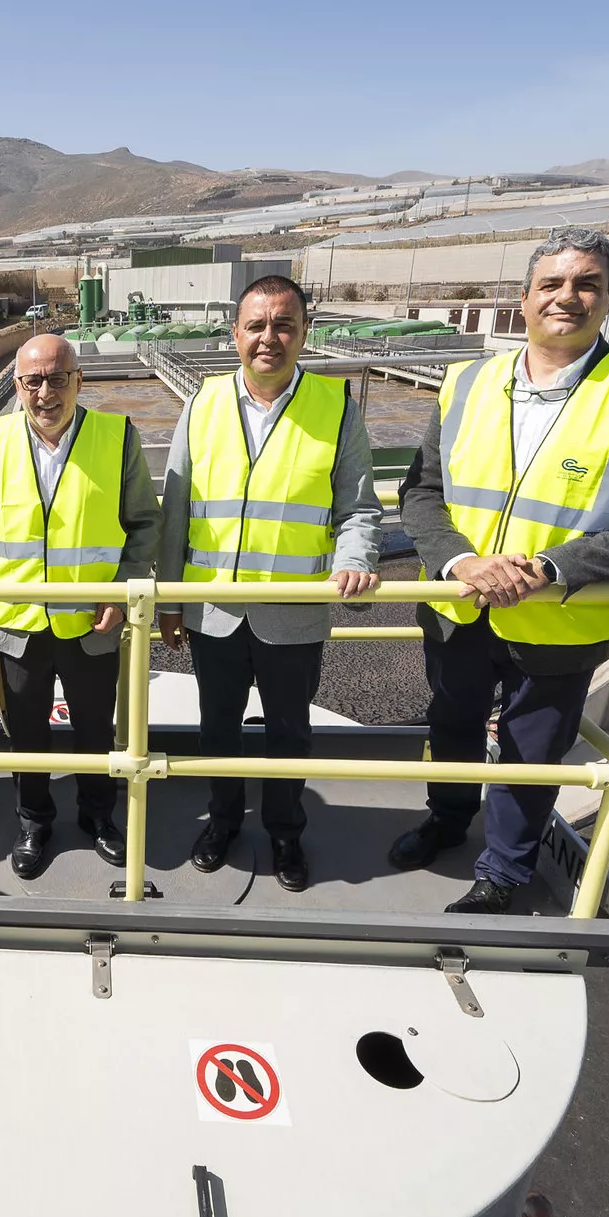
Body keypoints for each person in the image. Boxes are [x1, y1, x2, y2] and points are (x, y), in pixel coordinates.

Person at [390, 226, 609, 914]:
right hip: (461, 604)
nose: (568, 297)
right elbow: (421, 492)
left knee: (530, 754)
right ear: (526, 298)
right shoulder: (469, 382)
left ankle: (504, 871)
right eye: (552, 284)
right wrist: (462, 559)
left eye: (586, 284)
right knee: (450, 726)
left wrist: (549, 568)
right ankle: (446, 823)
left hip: (559, 618)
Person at [157, 275, 383, 893]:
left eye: (284, 324)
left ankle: (285, 832)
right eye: (256, 325)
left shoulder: (336, 407)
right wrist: (170, 603)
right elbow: (176, 509)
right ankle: (223, 822)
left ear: (304, 331)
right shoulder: (202, 403)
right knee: (217, 728)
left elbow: (359, 508)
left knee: (290, 733)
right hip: (213, 612)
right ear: (235, 334)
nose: (269, 338)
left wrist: (355, 558)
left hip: (294, 611)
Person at [0, 334, 161, 878]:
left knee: (96, 729)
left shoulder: (115, 438)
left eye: (57, 378)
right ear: (17, 385)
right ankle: (34, 821)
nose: (44, 392)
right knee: (26, 733)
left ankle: (98, 817)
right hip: (17, 624)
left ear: (79, 381)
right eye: (33, 380)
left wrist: (123, 591)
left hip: (92, 623)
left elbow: (144, 525)